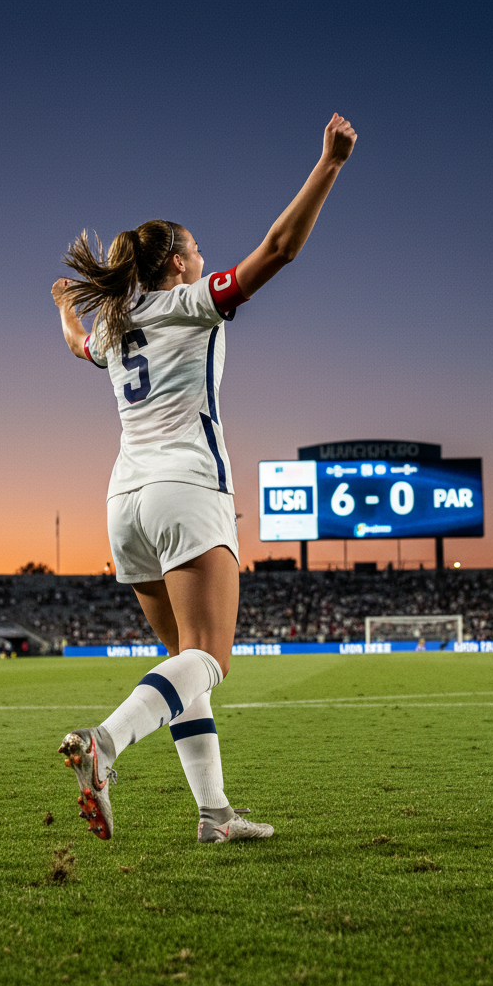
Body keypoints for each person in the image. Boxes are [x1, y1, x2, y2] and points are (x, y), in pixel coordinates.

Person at [52, 112, 357, 843]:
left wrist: (64, 303)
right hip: (186, 490)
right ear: (182, 265)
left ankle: (215, 815)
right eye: (197, 250)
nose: (203, 257)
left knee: (183, 661)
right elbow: (279, 249)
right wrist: (330, 165)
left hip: (123, 502)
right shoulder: (191, 304)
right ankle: (107, 742)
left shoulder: (112, 328)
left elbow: (75, 343)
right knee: (211, 658)